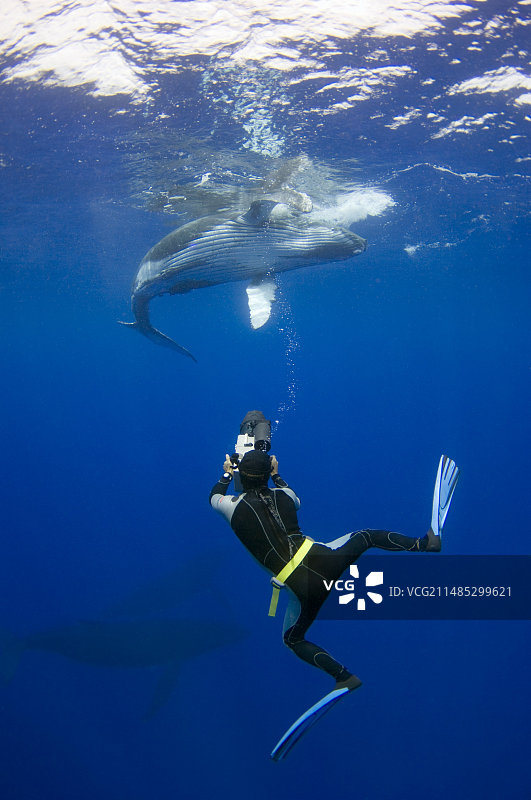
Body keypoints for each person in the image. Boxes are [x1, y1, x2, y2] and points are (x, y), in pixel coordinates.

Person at [209, 449, 443, 693]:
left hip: (300, 587)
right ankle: (424, 544)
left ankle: (344, 677)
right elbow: (294, 498)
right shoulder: (285, 495)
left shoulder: (230, 507)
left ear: (241, 476)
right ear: (268, 473)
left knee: (292, 640)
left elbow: (214, 496)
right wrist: (277, 476)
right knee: (366, 537)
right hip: (325, 559)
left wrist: (226, 475)